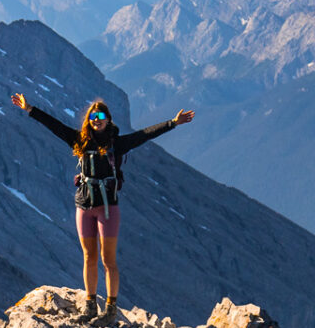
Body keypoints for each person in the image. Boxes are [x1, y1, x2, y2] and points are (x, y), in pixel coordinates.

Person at [10, 93, 194, 314]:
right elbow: (54, 125)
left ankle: (110, 308)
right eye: (93, 116)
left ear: (108, 119)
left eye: (100, 116)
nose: (96, 119)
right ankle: (90, 304)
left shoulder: (118, 144)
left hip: (108, 208)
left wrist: (172, 123)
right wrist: (30, 109)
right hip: (84, 207)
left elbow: (144, 135)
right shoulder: (79, 140)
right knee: (89, 257)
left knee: (108, 260)